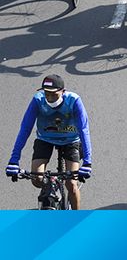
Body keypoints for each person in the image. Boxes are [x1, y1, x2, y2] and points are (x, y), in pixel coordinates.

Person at [5, 75, 93, 210]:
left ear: (63, 91)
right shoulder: (38, 100)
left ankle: (75, 217)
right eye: (47, 93)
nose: (50, 98)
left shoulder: (74, 101)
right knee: (37, 179)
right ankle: (51, 185)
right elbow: (25, 129)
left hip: (71, 141)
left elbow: (84, 130)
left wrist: (87, 162)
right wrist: (13, 160)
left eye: (54, 94)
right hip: (45, 139)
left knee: (71, 184)